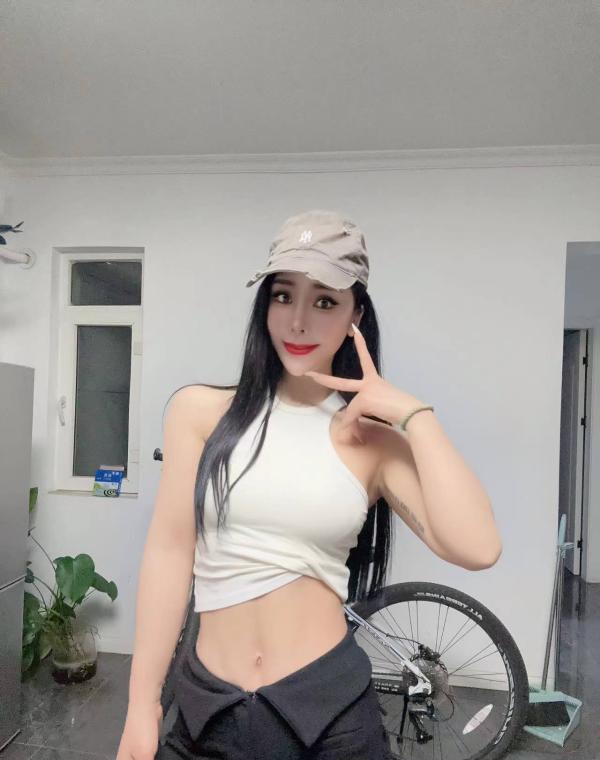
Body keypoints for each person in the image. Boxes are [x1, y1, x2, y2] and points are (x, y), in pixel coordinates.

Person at [117, 209, 502, 760]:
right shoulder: (198, 413)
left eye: (324, 301)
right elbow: (169, 552)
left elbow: (479, 547)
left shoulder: (372, 443)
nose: (297, 322)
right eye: (283, 295)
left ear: (355, 316)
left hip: (330, 720)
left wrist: (416, 416)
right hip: (207, 711)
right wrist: (142, 703)